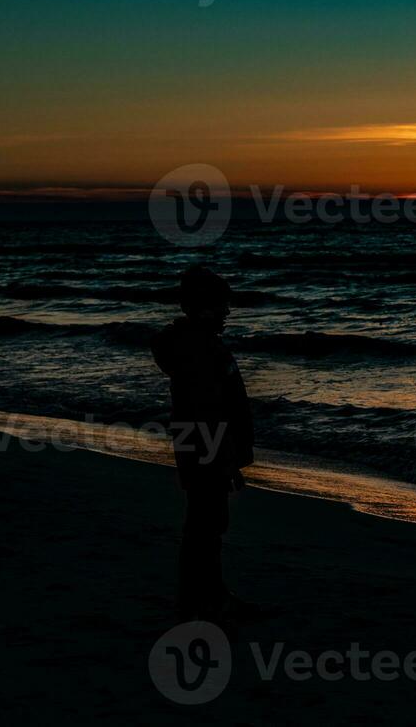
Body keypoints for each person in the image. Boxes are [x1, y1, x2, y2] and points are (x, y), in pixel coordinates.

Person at [151, 265, 255, 622]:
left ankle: (203, 595)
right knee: (207, 525)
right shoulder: (200, 351)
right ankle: (205, 599)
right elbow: (209, 411)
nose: (227, 312)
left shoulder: (196, 345)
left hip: (198, 445)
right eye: (222, 305)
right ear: (205, 307)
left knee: (204, 524)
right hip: (206, 448)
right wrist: (225, 461)